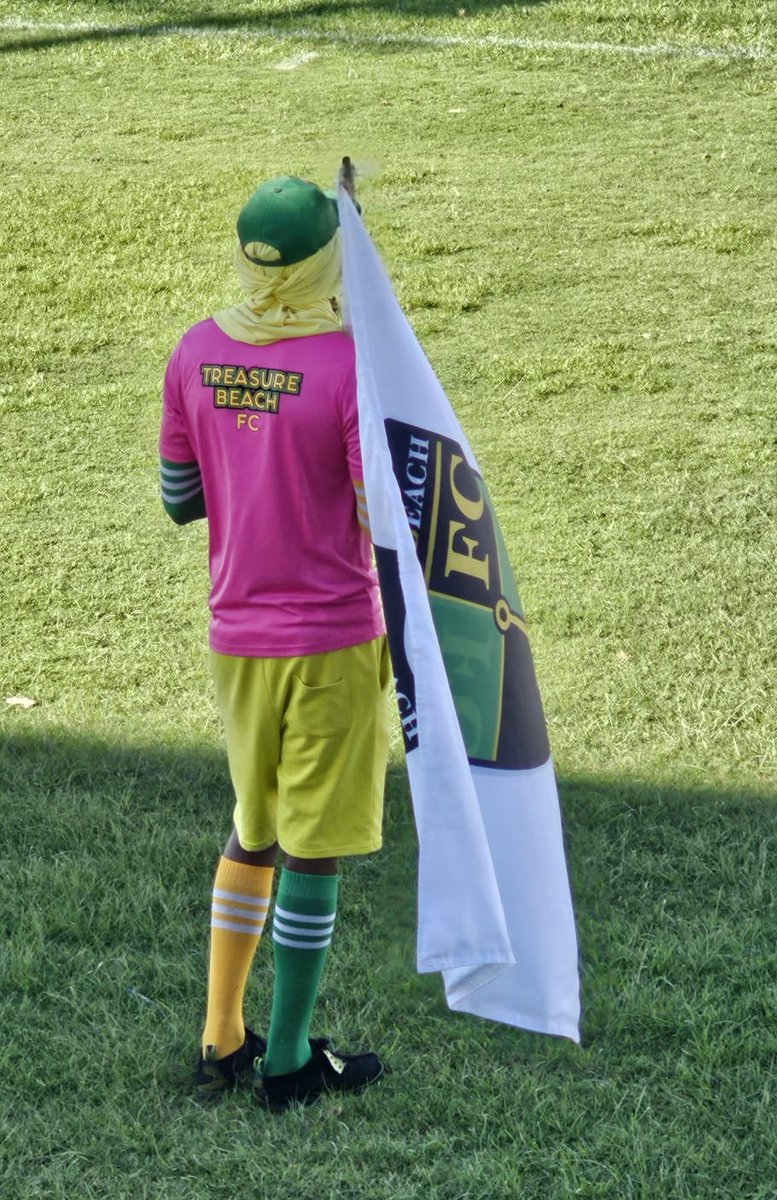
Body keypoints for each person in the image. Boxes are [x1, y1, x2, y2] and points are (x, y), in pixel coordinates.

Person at [159, 175, 391, 1112]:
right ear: (324, 261)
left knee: (251, 828)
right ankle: (290, 1059)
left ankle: (221, 1038)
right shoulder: (346, 365)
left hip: (236, 634)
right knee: (314, 848)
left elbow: (180, 500)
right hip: (331, 637)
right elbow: (377, 514)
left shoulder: (195, 350)